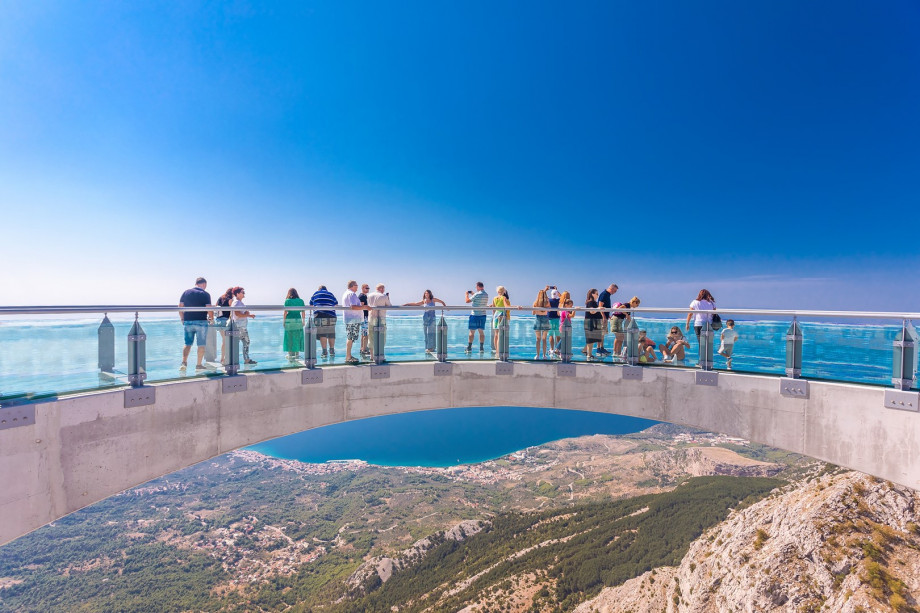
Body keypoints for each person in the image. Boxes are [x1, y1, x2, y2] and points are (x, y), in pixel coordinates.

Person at [179, 277, 212, 371]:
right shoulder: (205, 294)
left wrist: (182, 318)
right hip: (201, 321)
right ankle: (198, 365)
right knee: (201, 344)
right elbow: (209, 308)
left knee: (187, 343)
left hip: (188, 321)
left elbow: (180, 307)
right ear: (204, 284)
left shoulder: (186, 292)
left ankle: (184, 363)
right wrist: (211, 318)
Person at [404, 289, 446, 355]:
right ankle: (428, 347)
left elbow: (442, 302)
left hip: (432, 318)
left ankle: (431, 347)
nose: (426, 294)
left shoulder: (433, 300)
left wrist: (445, 307)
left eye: (428, 293)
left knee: (431, 333)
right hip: (425, 318)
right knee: (426, 333)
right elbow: (416, 304)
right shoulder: (424, 301)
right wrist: (407, 304)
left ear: (430, 294)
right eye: (425, 293)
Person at [310, 285, 338, 359]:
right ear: (326, 289)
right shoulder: (331, 294)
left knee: (323, 334)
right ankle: (332, 350)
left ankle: (324, 352)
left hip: (320, 315)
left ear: (319, 289)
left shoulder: (315, 294)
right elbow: (336, 304)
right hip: (331, 315)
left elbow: (311, 305)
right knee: (331, 334)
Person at [231, 287, 257, 365]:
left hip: (239, 326)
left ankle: (236, 360)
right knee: (246, 342)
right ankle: (246, 360)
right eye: (242, 292)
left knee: (241, 342)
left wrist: (247, 313)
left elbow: (240, 313)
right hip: (240, 326)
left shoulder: (238, 302)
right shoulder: (236, 302)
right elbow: (237, 314)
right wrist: (248, 315)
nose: (244, 293)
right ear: (237, 294)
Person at [366, 283, 392, 360]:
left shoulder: (369, 295)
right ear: (381, 288)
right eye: (383, 288)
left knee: (371, 337)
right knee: (381, 337)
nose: (384, 290)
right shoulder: (384, 296)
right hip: (381, 318)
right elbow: (389, 306)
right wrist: (388, 298)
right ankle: (381, 356)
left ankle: (372, 356)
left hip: (371, 318)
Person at [465, 282, 489, 353]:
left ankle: (469, 348)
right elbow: (479, 300)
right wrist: (473, 294)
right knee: (481, 332)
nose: (476, 288)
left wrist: (466, 295)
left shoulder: (476, 294)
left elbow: (467, 301)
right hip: (482, 315)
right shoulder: (486, 294)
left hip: (475, 315)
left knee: (472, 332)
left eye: (476, 287)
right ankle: (481, 348)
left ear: (478, 286)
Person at [596, 283, 619, 356]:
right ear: (611, 288)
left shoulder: (607, 294)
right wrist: (603, 316)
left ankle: (601, 348)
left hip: (605, 316)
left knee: (603, 334)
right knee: (600, 333)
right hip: (601, 317)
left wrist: (607, 315)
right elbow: (600, 305)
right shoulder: (604, 294)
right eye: (614, 291)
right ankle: (598, 349)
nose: (614, 293)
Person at [283, 288, 305, 361]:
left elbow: (285, 313)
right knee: (297, 337)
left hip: (289, 320)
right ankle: (297, 354)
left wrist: (284, 321)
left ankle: (290, 355)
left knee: (289, 337)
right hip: (298, 320)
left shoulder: (287, 301)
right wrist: (303, 321)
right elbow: (303, 312)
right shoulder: (301, 301)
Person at [214, 287, 234, 365]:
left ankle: (222, 359)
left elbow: (215, 308)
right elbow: (232, 311)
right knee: (226, 341)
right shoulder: (230, 300)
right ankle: (224, 359)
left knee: (224, 340)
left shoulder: (220, 298)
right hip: (225, 321)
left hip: (218, 321)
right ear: (232, 293)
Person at [584, 288, 604, 360]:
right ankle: (589, 354)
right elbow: (591, 311)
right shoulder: (591, 302)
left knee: (591, 339)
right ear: (592, 294)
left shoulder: (593, 302)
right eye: (597, 294)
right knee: (590, 339)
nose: (598, 295)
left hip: (593, 321)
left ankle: (587, 353)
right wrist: (599, 308)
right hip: (590, 322)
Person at [490, 286, 511, 353]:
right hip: (501, 314)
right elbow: (506, 306)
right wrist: (516, 307)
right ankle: (499, 352)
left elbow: (493, 309)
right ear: (504, 291)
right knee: (499, 335)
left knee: (496, 334)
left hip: (496, 315)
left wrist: (494, 316)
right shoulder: (503, 297)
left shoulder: (494, 298)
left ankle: (496, 351)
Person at [533, 288, 551, 360]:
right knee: (544, 339)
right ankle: (544, 355)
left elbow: (533, 313)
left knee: (538, 339)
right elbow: (549, 310)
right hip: (545, 320)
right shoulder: (547, 303)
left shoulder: (535, 302)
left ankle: (537, 355)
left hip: (538, 320)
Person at [547, 287, 561, 358]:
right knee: (558, 335)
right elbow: (562, 297)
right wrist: (557, 291)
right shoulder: (559, 300)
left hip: (550, 319)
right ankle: (557, 349)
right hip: (557, 319)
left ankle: (551, 349)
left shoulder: (548, 300)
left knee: (551, 335)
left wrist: (547, 289)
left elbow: (543, 295)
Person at [359, 283, 370, 358]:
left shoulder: (364, 296)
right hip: (364, 317)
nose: (368, 289)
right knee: (365, 334)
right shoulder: (362, 296)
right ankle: (364, 349)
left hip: (364, 317)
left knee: (363, 334)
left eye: (368, 288)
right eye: (366, 288)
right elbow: (361, 306)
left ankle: (363, 348)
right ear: (362, 288)